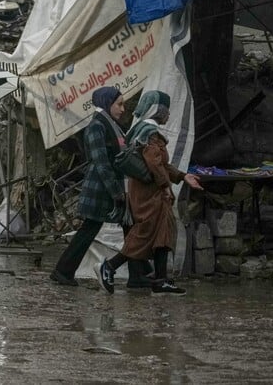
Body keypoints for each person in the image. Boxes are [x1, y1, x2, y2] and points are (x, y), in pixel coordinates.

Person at [97, 91, 204, 296]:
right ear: (159, 110)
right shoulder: (150, 133)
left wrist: (182, 176)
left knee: (163, 232)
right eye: (167, 109)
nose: (169, 114)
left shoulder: (141, 130)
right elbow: (155, 163)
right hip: (150, 193)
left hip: (148, 191)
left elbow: (161, 164)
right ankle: (109, 267)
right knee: (144, 234)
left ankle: (161, 280)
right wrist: (165, 186)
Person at [51, 86, 128, 287]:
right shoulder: (97, 126)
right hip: (99, 189)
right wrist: (117, 192)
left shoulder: (109, 124)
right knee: (89, 230)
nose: (122, 109)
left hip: (105, 188)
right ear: (106, 102)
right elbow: (101, 162)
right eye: (119, 104)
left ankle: (139, 274)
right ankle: (62, 271)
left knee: (125, 228)